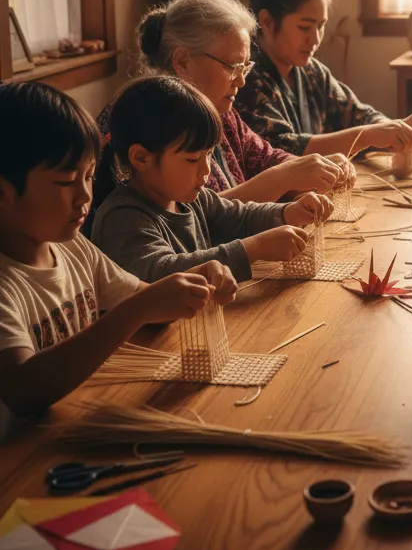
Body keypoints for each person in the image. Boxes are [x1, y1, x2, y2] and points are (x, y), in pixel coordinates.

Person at [0, 82, 235, 438]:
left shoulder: (72, 247)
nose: (84, 197)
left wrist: (192, 282)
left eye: (90, 177)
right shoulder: (7, 284)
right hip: (20, 466)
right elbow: (23, 390)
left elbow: (147, 300)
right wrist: (139, 309)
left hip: (71, 432)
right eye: (65, 182)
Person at [92, 76, 332, 284]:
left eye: (208, 155)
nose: (206, 170)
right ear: (141, 158)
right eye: (192, 159)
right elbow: (161, 274)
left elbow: (241, 217)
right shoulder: (122, 218)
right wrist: (253, 249)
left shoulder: (190, 199)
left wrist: (290, 212)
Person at [133, 0, 353, 201]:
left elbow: (265, 157)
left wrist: (312, 169)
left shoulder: (221, 113)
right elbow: (192, 220)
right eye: (231, 67)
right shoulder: (149, 125)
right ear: (182, 61)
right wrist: (284, 177)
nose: (241, 80)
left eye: (245, 67)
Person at [235, 0, 412, 156]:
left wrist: (396, 129)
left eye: (321, 26)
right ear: (267, 22)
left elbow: (356, 115)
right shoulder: (245, 79)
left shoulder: (312, 72)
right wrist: (369, 135)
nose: (315, 40)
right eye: (304, 28)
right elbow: (280, 148)